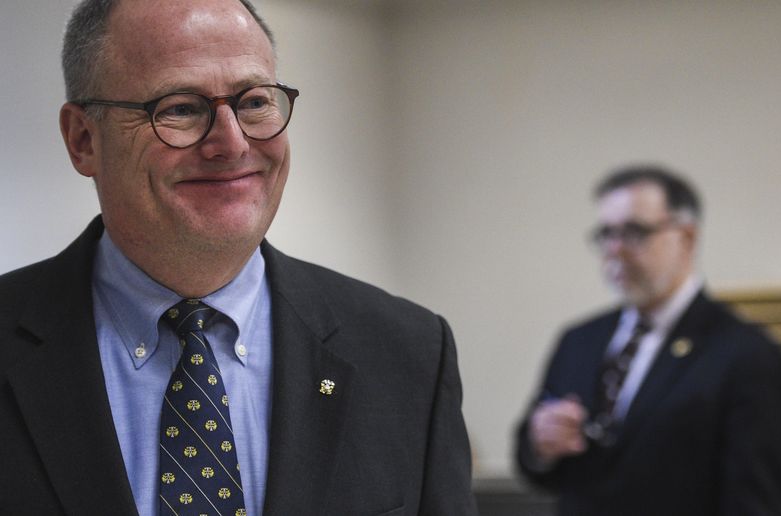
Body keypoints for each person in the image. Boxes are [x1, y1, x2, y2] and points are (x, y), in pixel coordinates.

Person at [0, 0, 477, 514]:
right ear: (83, 140)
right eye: (180, 108)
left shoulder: (408, 353)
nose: (232, 143)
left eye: (253, 102)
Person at [515, 165, 781, 515]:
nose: (614, 249)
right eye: (606, 234)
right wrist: (540, 445)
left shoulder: (745, 353)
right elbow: (535, 465)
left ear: (686, 238)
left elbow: (756, 502)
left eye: (634, 232)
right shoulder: (579, 340)